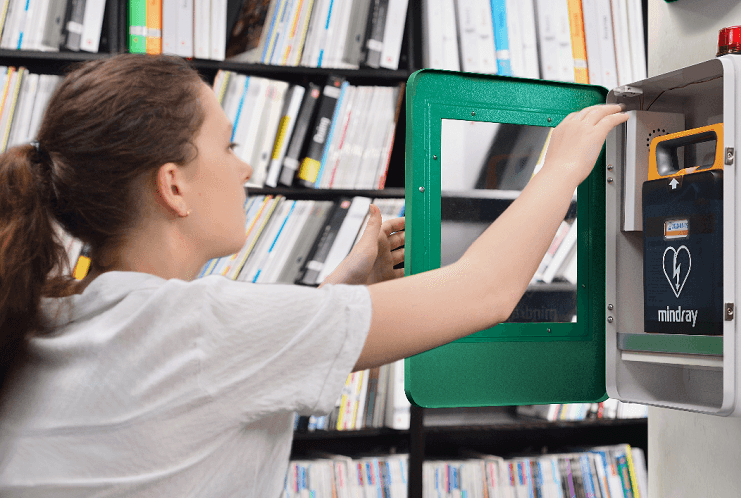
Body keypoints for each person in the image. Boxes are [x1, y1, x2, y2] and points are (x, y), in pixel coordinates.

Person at [0, 53, 627, 497]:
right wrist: (562, 167)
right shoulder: (200, 327)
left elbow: (236, 369)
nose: (245, 169)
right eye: (227, 146)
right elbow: (484, 291)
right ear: (173, 186)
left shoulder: (46, 319)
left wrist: (347, 284)